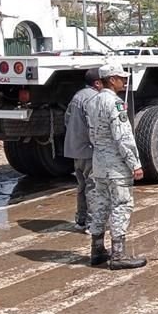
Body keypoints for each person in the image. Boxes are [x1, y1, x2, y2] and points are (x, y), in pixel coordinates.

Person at [87, 63, 146, 270]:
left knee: (100, 205)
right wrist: (135, 164)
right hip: (115, 164)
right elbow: (123, 137)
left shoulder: (92, 101)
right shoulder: (115, 103)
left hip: (99, 163)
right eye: (121, 77)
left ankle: (96, 250)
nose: (124, 80)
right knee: (121, 205)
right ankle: (118, 255)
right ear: (111, 80)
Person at [63, 69, 101, 233]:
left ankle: (81, 220)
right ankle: (92, 224)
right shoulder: (94, 98)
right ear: (97, 83)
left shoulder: (78, 96)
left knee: (81, 186)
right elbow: (94, 126)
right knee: (92, 186)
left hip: (75, 150)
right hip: (89, 150)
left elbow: (67, 119)